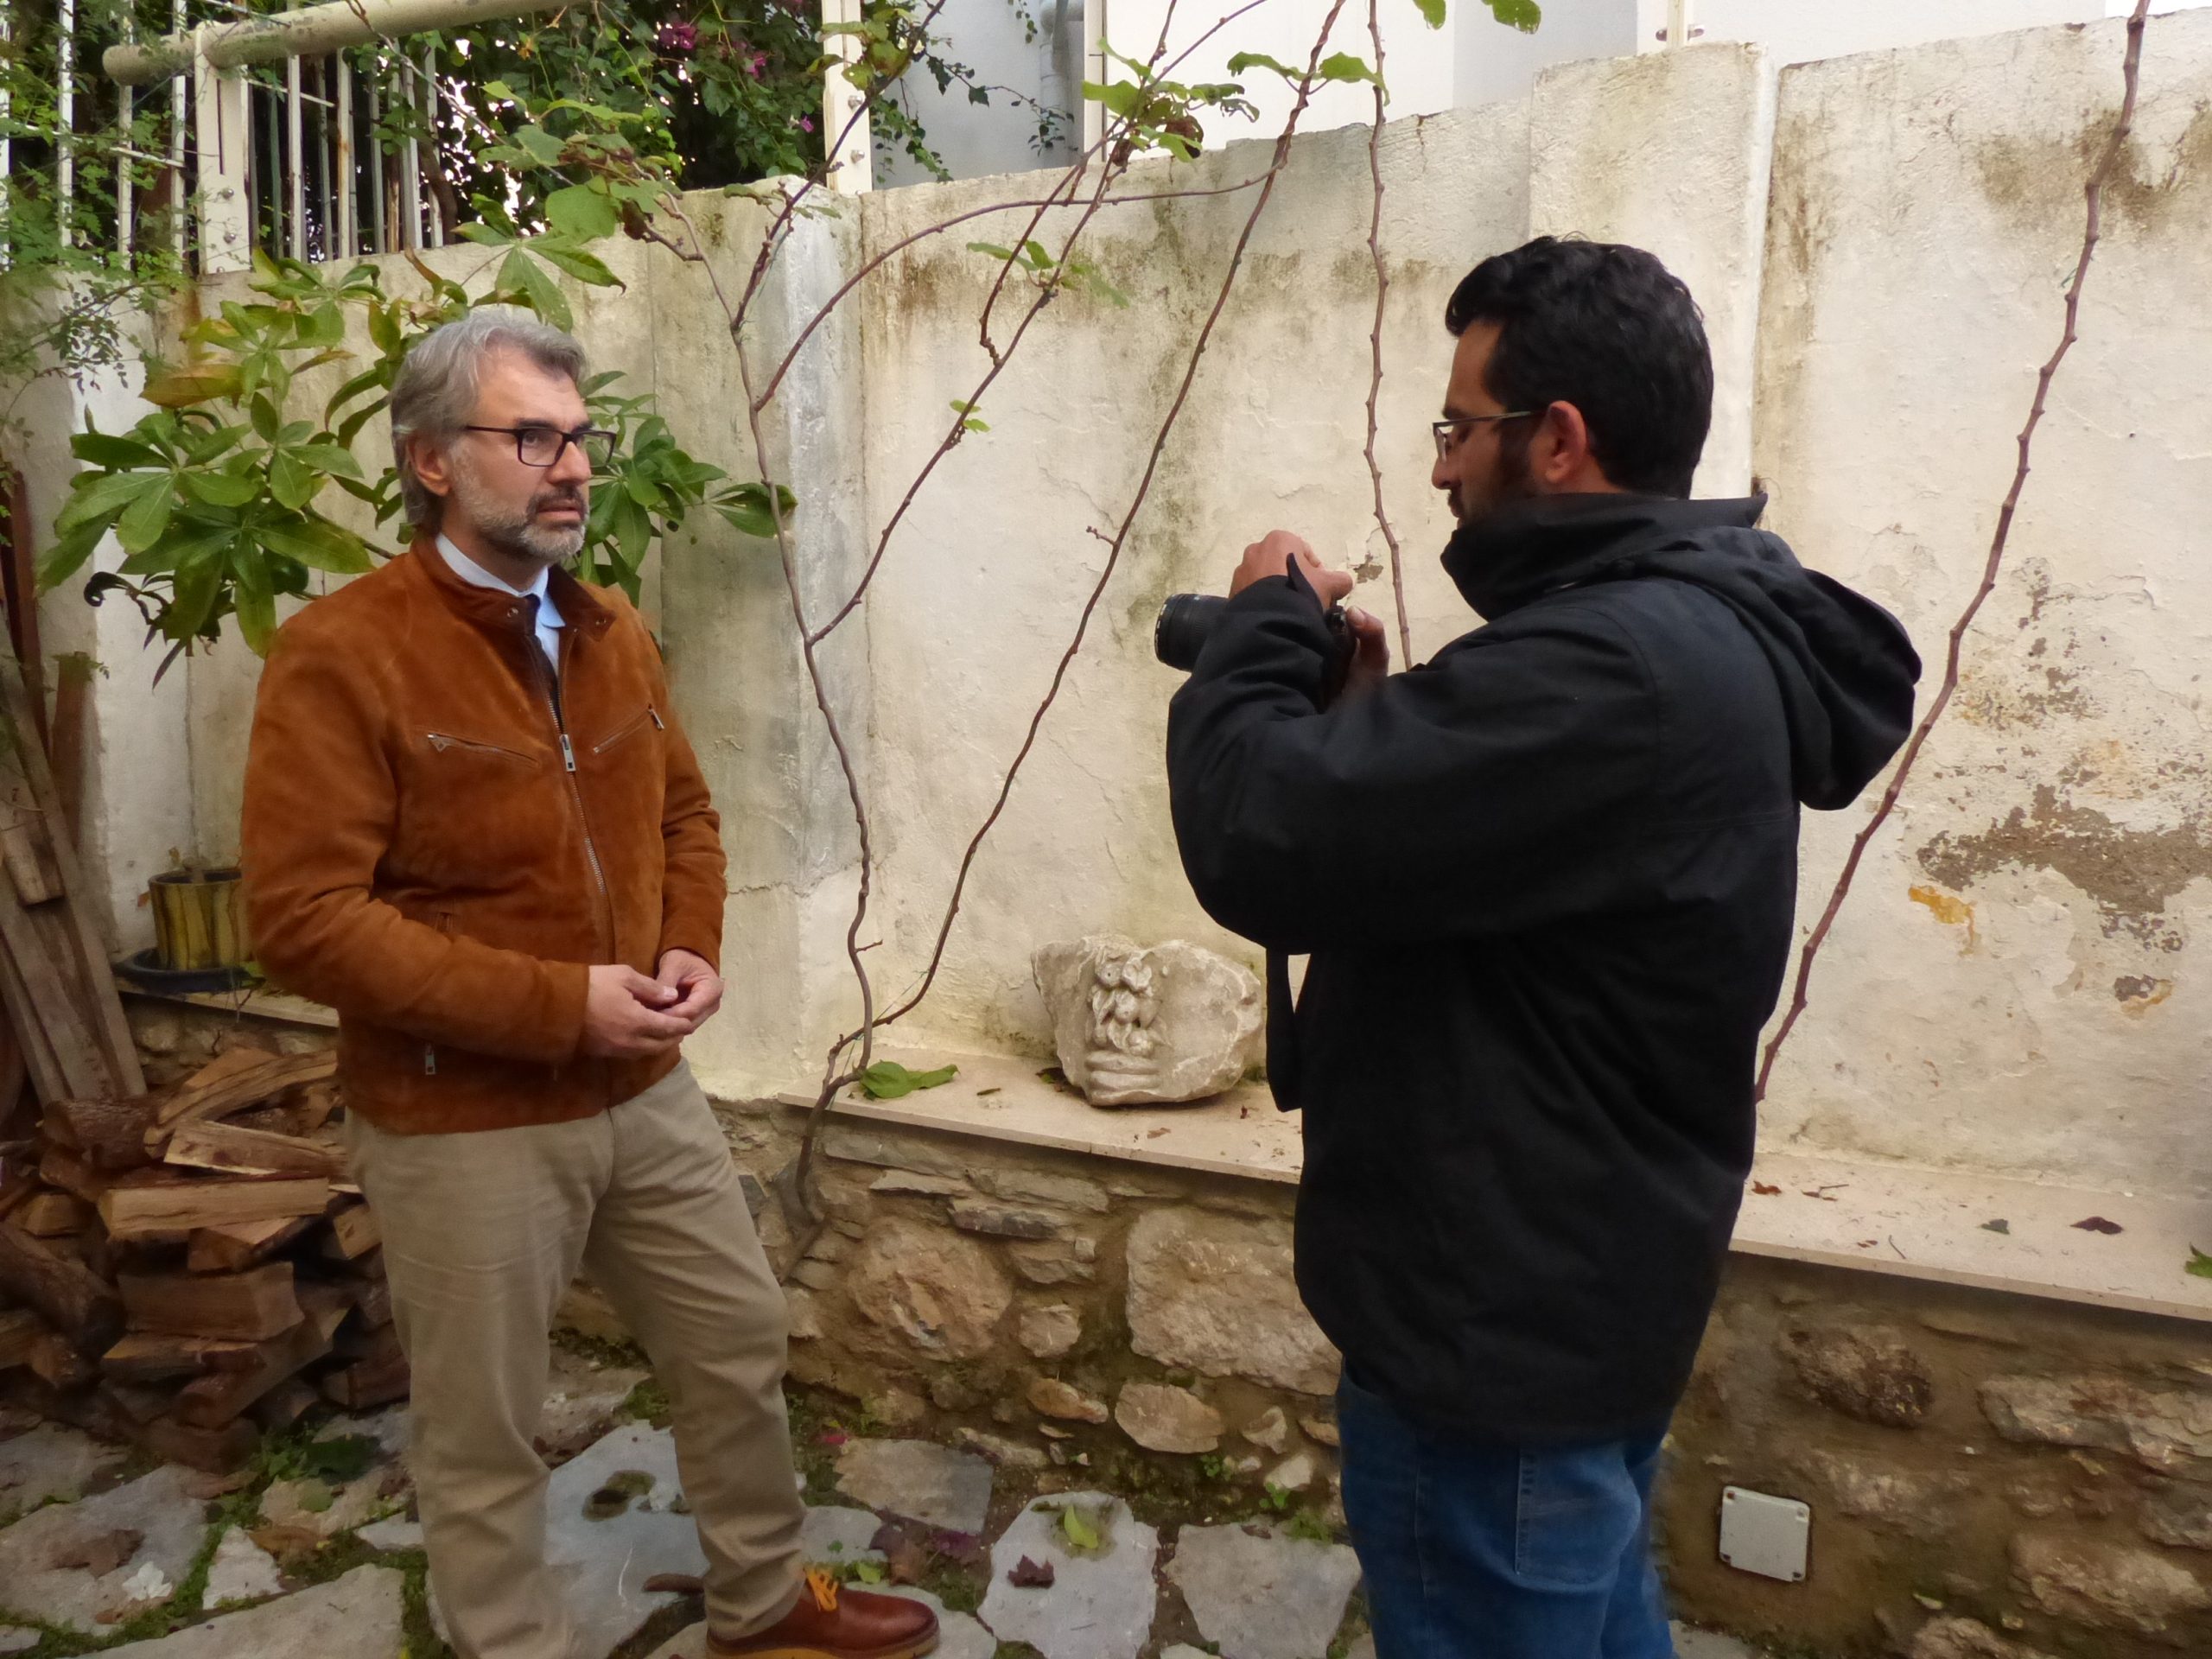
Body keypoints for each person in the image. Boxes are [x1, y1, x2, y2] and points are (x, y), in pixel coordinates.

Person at [1164, 238, 1920, 1657]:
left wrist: (1262, 623)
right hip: (1570, 1301)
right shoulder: (1674, 631)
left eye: (1460, 428)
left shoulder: (1613, 668)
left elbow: (1260, 833)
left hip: (1494, 1346)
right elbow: (1446, 876)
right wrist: (1367, 731)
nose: (1444, 468)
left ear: (1558, 440)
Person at [241, 308, 938, 1659]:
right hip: (462, 1121)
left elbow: (686, 812)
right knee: (486, 1428)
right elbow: (304, 921)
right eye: (531, 436)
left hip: (643, 1085)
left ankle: (765, 1602)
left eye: (578, 437)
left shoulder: (608, 627)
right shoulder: (344, 653)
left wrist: (692, 946)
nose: (570, 467)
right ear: (433, 459)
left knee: (736, 1341)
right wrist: (560, 1004)